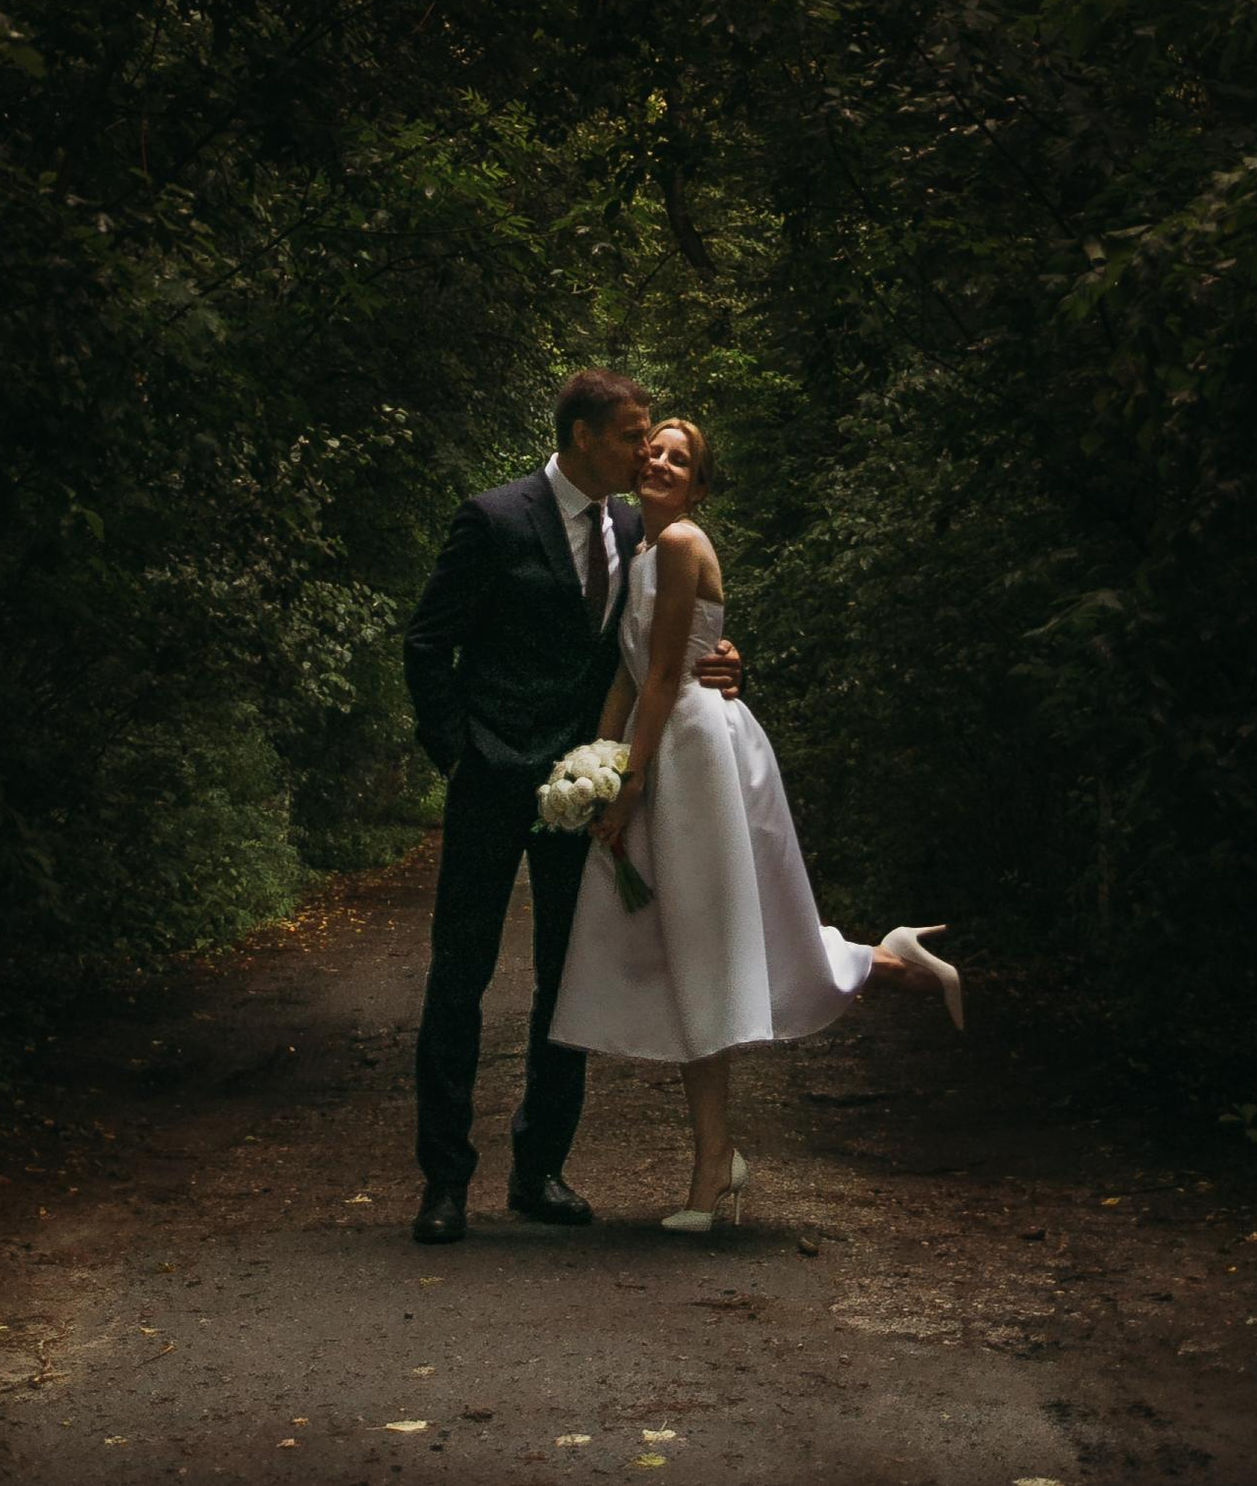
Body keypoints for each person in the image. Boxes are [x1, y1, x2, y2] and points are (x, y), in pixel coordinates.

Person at [549, 413, 962, 1228]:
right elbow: (628, 678)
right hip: (660, 742)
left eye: (680, 459)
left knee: (705, 946)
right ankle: (877, 965)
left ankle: (714, 1165)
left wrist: (630, 784)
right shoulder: (639, 547)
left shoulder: (679, 543)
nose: (660, 462)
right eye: (654, 451)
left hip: (693, 749)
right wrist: (596, 763)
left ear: (699, 487)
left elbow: (664, 677)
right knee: (691, 950)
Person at [401, 370, 744, 1245]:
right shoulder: (493, 518)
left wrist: (723, 661)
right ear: (584, 437)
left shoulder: (637, 528)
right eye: (632, 435)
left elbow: (664, 639)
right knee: (460, 975)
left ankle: (540, 1170)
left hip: (582, 785)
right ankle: (444, 1181)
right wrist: (459, 754)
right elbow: (428, 642)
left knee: (568, 975)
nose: (645, 449)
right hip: (489, 778)